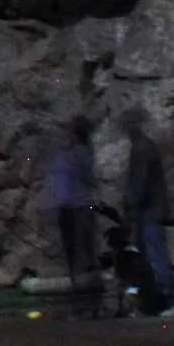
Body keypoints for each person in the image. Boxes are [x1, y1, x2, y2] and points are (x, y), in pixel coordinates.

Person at [120, 106, 174, 316]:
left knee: (155, 256)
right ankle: (154, 302)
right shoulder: (141, 147)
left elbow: (140, 183)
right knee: (146, 259)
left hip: (149, 211)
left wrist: (129, 205)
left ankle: (169, 301)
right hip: (146, 211)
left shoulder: (142, 148)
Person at [47, 115, 100, 314]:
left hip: (77, 209)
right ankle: (88, 300)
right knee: (80, 256)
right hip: (75, 208)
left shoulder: (76, 154)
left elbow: (67, 180)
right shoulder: (78, 153)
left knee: (80, 257)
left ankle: (85, 303)